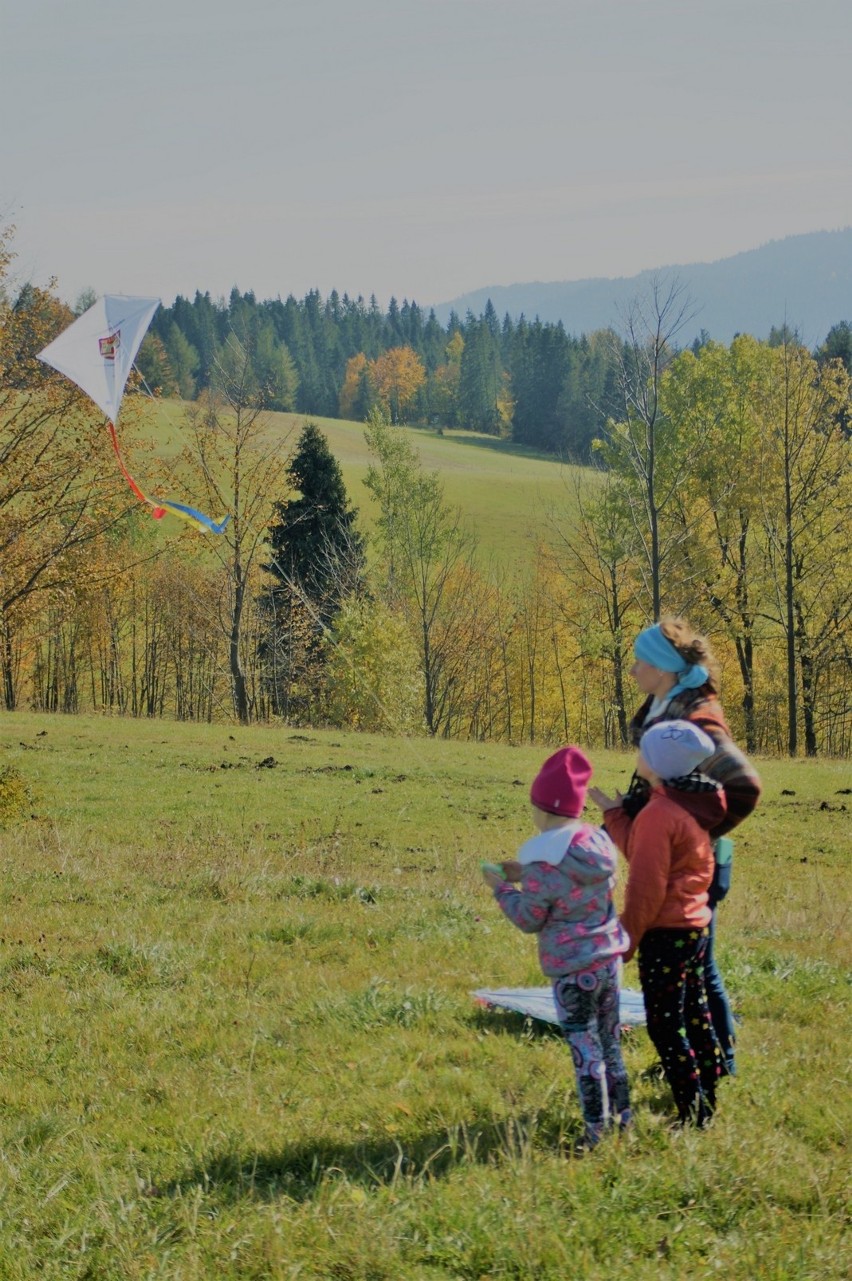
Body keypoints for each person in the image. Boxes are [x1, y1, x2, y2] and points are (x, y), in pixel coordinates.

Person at [624, 617, 761, 1075]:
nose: (632, 672)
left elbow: (743, 784)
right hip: (677, 855)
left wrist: (695, 834)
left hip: (696, 862)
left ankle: (722, 1061)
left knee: (700, 969)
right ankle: (700, 1058)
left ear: (662, 668)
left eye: (638, 662)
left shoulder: (697, 714)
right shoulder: (665, 703)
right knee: (690, 969)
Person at [482, 746, 631, 1150]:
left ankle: (595, 1133)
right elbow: (565, 878)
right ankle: (624, 1118)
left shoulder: (543, 864)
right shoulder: (598, 848)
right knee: (610, 1040)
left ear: (542, 811)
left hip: (571, 971)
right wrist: (523, 873)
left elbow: (529, 917)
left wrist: (502, 889)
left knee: (585, 1047)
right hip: (610, 963)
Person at [590, 720, 724, 1128]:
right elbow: (647, 850)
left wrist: (625, 942)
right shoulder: (686, 805)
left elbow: (645, 888)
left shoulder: (659, 813)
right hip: (694, 927)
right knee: (694, 1009)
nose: (636, 758)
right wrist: (615, 814)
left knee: (665, 1025)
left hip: (666, 933)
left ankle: (693, 1111)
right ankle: (711, 1084)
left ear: (657, 763)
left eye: (642, 752)